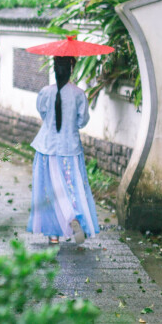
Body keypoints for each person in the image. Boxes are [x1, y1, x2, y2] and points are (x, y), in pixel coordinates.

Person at [26, 56, 101, 245]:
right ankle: (74, 217)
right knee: (72, 187)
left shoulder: (45, 92)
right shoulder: (78, 94)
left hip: (46, 149)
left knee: (50, 191)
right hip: (70, 149)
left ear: (54, 67)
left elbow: (43, 114)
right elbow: (82, 121)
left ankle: (53, 235)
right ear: (71, 68)